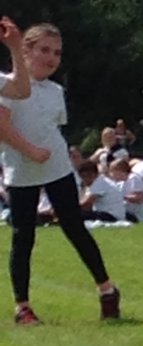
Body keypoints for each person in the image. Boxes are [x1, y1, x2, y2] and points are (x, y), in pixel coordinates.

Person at [0, 23, 120, 324]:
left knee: (74, 226)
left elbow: (52, 129)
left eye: (57, 53)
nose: (51, 58)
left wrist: (52, 155)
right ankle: (23, 306)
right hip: (22, 170)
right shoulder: (8, 85)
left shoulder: (55, 91)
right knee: (23, 236)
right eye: (44, 50)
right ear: (25, 50)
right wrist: (29, 151)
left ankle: (106, 289)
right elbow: (3, 128)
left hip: (56, 168)